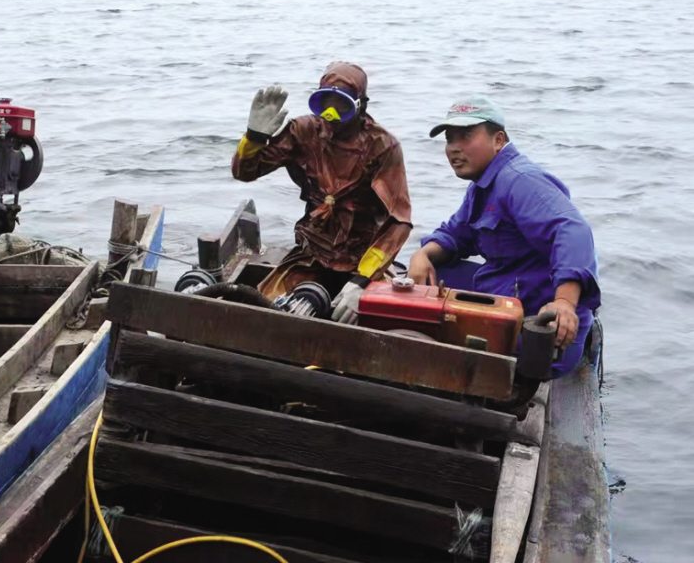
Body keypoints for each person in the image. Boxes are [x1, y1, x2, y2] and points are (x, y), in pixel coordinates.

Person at [407, 96, 600, 377]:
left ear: (498, 140)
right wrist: (422, 255)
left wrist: (564, 303)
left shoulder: (519, 180)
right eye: (450, 139)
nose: (454, 148)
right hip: (505, 295)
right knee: (430, 273)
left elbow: (572, 230)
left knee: (423, 326)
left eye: (466, 136)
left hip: (539, 330)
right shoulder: (483, 186)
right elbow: (457, 234)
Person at [232, 61, 412, 324]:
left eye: (341, 106)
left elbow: (399, 220)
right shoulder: (304, 132)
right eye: (324, 103)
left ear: (360, 105)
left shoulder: (382, 146)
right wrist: (255, 137)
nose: (331, 114)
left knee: (378, 323)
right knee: (263, 315)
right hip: (312, 252)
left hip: (363, 257)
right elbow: (245, 172)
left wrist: (362, 281)